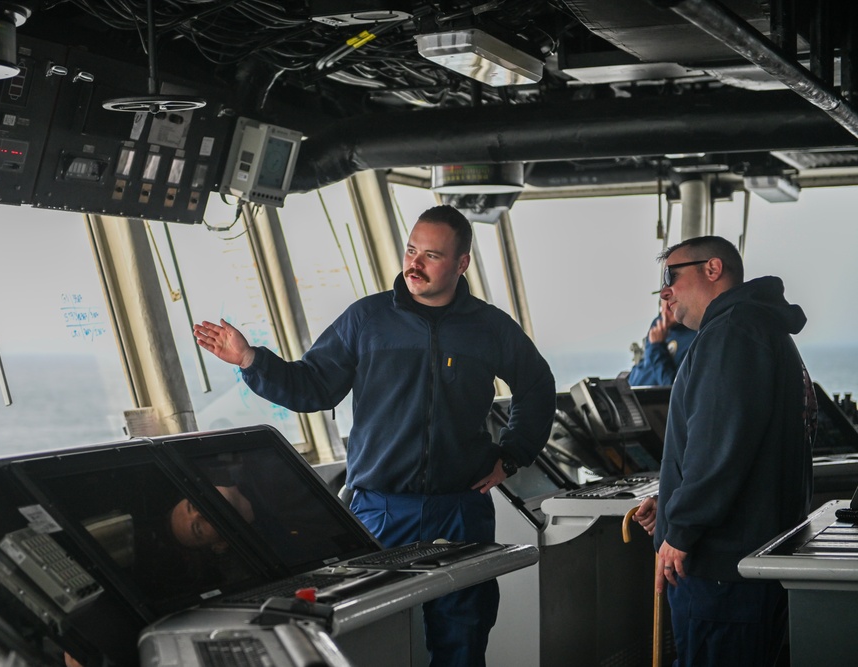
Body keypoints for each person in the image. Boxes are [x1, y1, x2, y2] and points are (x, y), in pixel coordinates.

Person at [193, 204, 555, 667]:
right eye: (410, 250)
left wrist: (513, 454)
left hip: (460, 508)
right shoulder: (366, 320)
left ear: (461, 264)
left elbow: (537, 387)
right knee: (371, 639)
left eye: (431, 255)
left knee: (463, 640)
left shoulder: (489, 328)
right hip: (381, 508)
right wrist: (251, 361)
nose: (414, 264)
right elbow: (313, 386)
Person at [632, 235, 817, 665]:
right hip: (751, 558)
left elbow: (719, 447)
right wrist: (670, 504)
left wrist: (680, 528)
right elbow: (744, 448)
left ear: (712, 269)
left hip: (722, 568)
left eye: (671, 275)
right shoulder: (760, 329)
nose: (665, 291)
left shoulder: (731, 332)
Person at [627, 298, 696, 386]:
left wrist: (657, 346)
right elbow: (646, 366)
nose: (666, 307)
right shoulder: (658, 323)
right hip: (632, 390)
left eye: (673, 298)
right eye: (664, 299)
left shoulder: (695, 336)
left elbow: (672, 387)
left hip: (655, 398)